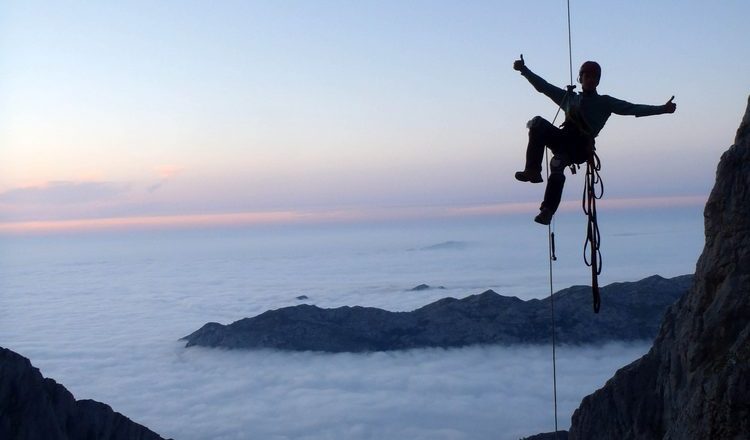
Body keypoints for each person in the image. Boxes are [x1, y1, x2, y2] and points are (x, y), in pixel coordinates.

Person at [513, 55, 676, 225]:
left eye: (594, 78)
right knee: (537, 123)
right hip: (563, 140)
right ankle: (532, 170)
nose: (590, 80)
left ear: (597, 81)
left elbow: (632, 108)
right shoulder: (570, 98)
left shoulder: (604, 102)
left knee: (557, 164)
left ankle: (547, 210)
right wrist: (524, 71)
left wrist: (662, 109)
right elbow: (544, 87)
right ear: (581, 78)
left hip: (580, 146)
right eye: (587, 76)